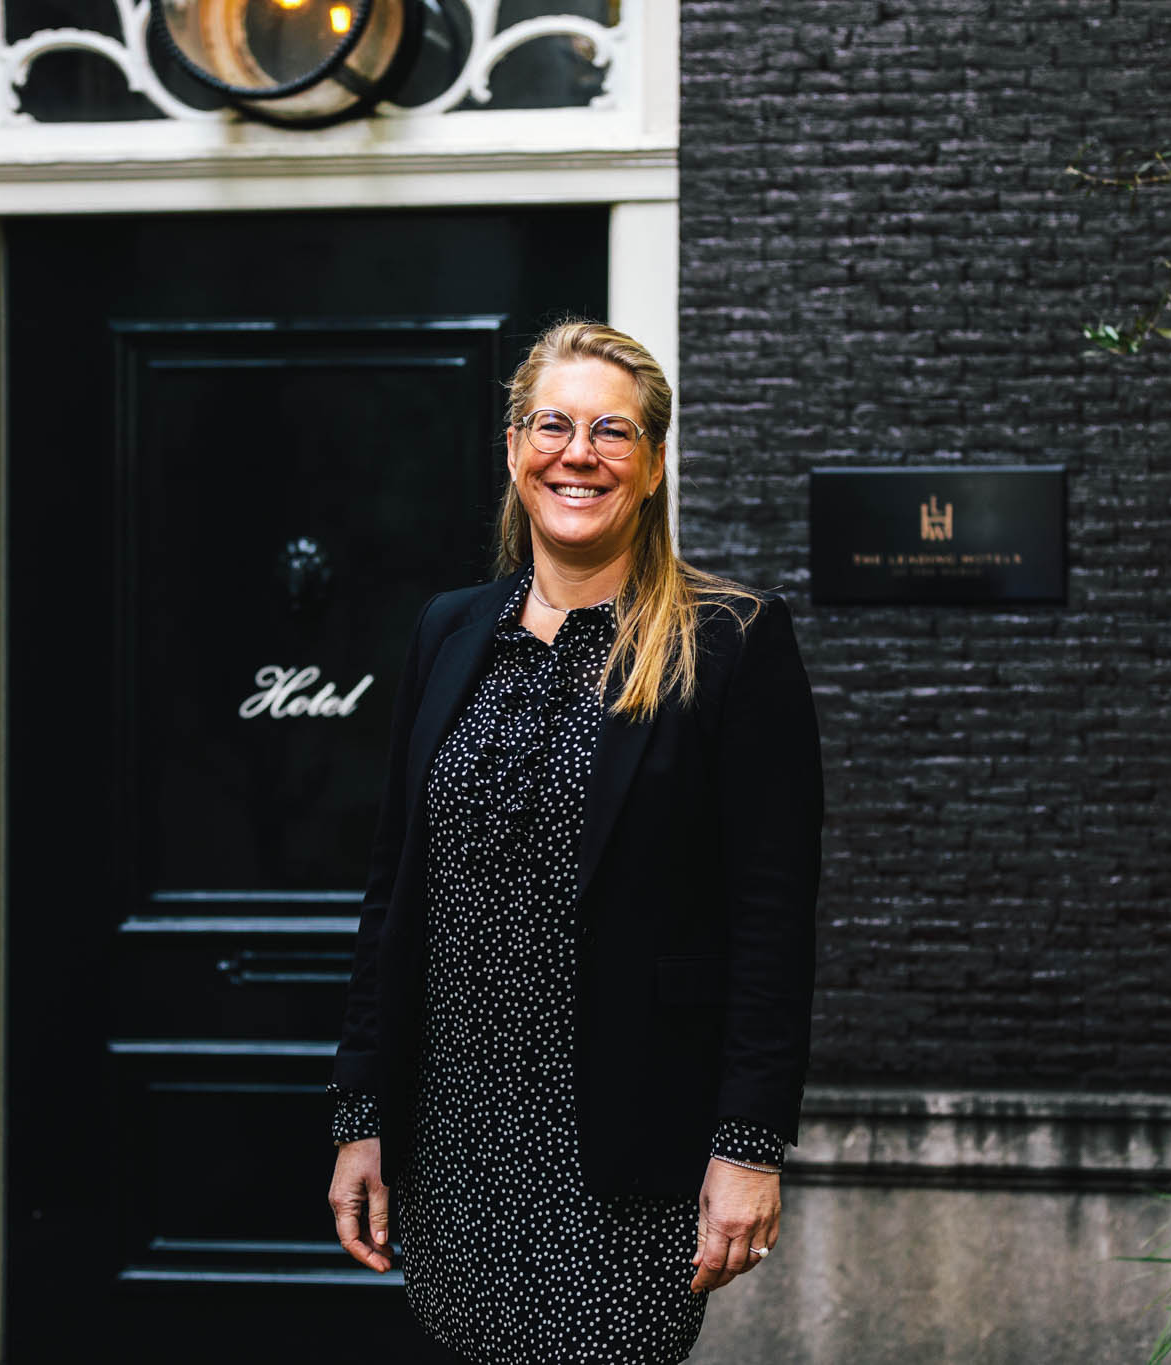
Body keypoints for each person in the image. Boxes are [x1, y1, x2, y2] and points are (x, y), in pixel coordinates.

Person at [326, 320, 823, 1364]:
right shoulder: (450, 630)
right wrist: (361, 1112)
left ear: (649, 467)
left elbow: (771, 926)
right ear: (514, 450)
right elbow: (393, 894)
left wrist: (745, 1147)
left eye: (612, 432)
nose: (577, 453)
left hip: (622, 1144)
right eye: (552, 425)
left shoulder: (729, 642)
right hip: (453, 1135)